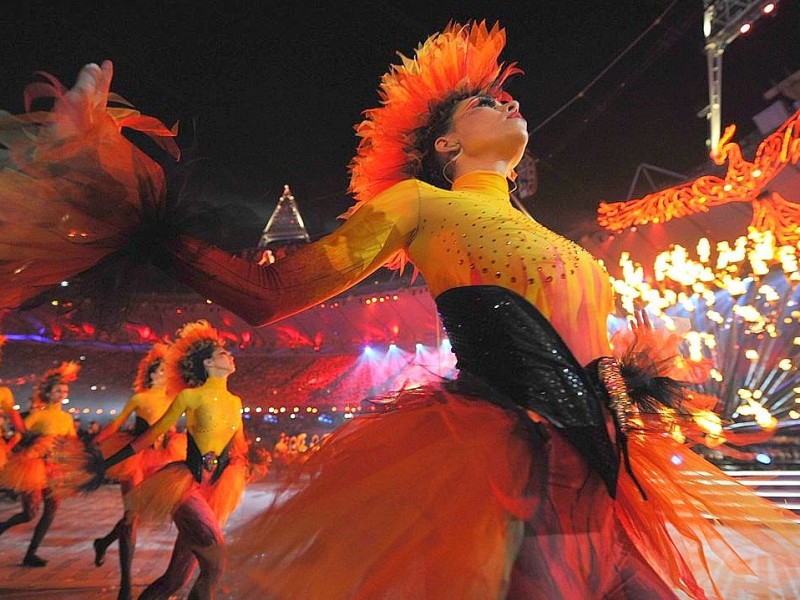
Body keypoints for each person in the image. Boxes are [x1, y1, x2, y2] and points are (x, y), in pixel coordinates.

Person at [0, 20, 799, 599]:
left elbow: (593, 352)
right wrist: (130, 205)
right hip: (511, 465)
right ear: (448, 147)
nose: (507, 104)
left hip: (613, 473)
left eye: (504, 98)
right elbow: (272, 293)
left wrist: (665, 402)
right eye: (483, 103)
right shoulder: (421, 202)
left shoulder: (549, 233)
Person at [103, 320, 250, 600]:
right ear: (207, 364)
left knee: (176, 578)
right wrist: (105, 462)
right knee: (215, 555)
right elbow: (149, 436)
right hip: (186, 486)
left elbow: (238, 443)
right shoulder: (189, 396)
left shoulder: (235, 401)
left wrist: (248, 459)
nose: (230, 356)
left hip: (215, 487)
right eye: (222, 353)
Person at [92, 342, 183, 600]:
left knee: (138, 515)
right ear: (152, 374)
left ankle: (104, 541)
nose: (168, 374)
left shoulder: (175, 399)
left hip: (162, 458)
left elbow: (172, 428)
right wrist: (96, 443)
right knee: (132, 517)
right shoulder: (140, 398)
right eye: (164, 369)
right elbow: (116, 425)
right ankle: (126, 584)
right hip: (136, 458)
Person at [0, 362, 80, 567]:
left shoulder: (67, 418)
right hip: (34, 465)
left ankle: (31, 553)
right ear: (48, 393)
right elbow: (20, 434)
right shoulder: (38, 415)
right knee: (29, 513)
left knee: (52, 508)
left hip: (55, 466)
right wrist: (8, 450)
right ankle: (2, 526)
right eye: (57, 390)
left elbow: (72, 440)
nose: (62, 393)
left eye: (64, 390)